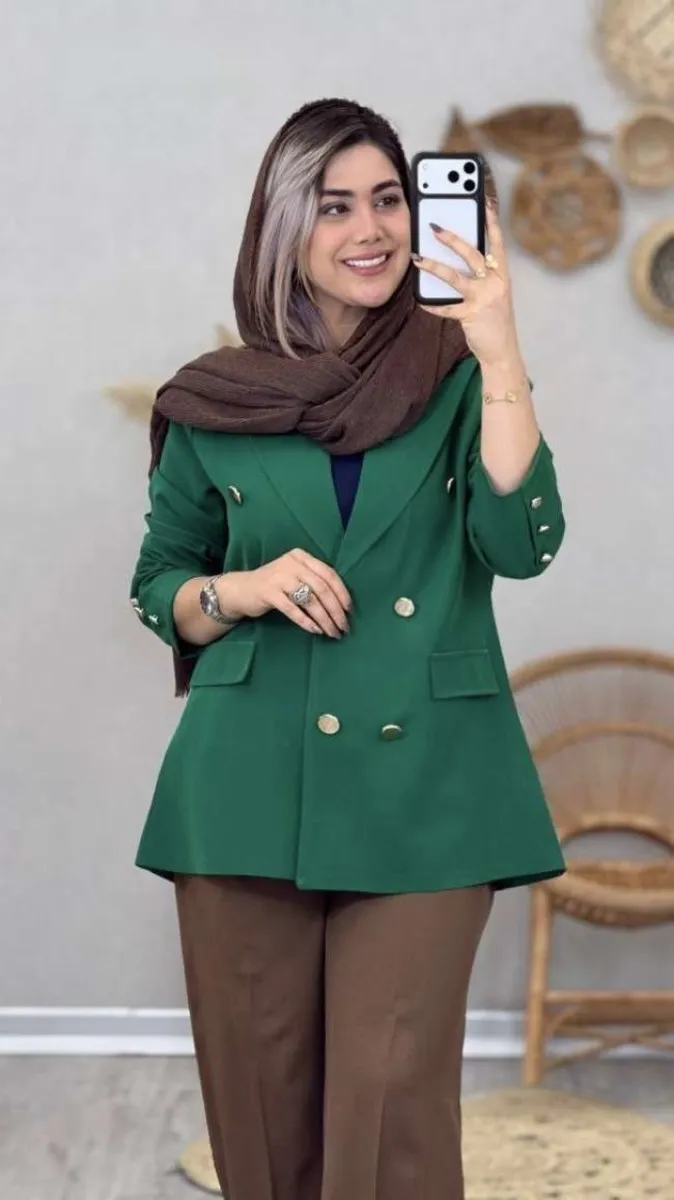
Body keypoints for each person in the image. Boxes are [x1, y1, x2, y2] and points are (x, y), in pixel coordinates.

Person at [129, 97, 566, 1200]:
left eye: (387, 200)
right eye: (334, 206)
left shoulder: (459, 374)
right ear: (284, 226)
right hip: (242, 784)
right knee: (261, 1114)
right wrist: (242, 587)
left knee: (390, 1110)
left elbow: (520, 545)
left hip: (430, 784)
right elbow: (161, 587)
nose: (369, 229)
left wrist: (500, 348)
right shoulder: (214, 398)